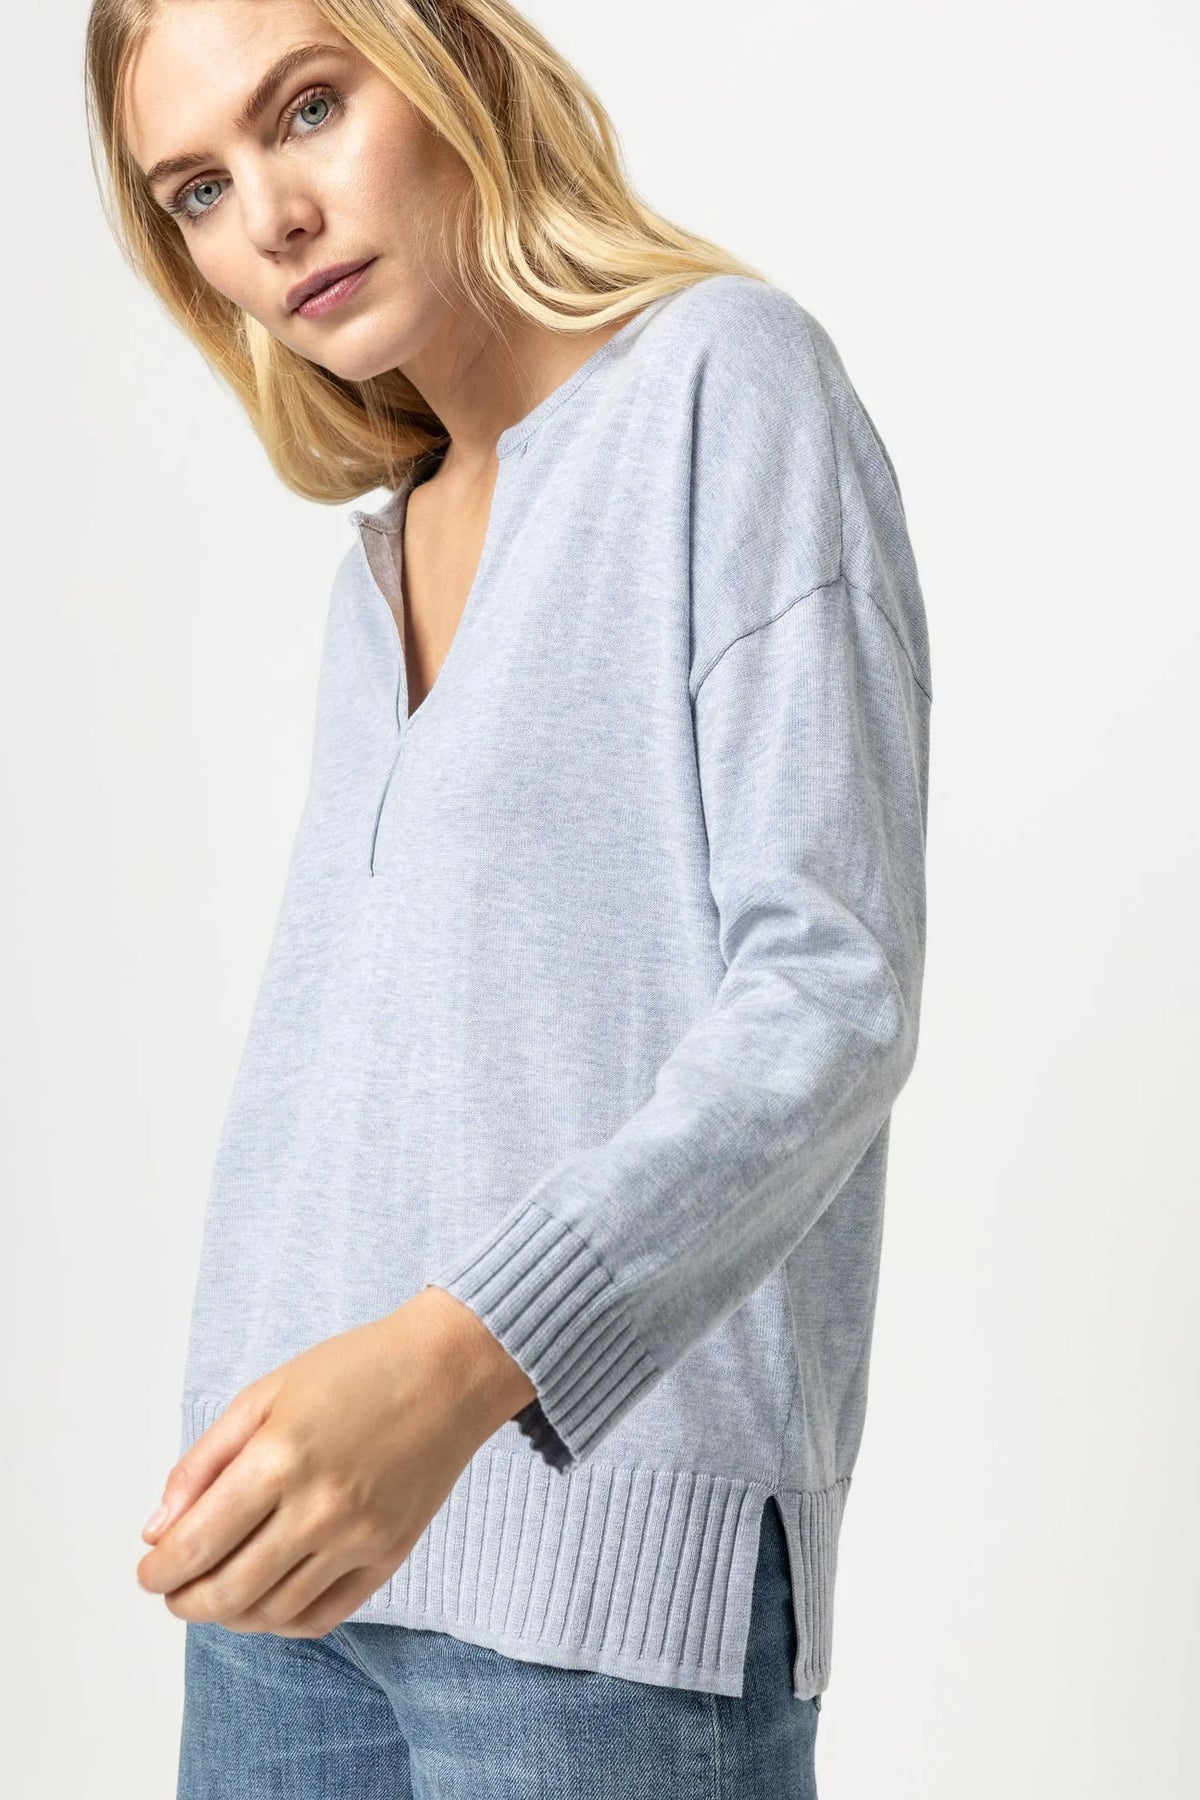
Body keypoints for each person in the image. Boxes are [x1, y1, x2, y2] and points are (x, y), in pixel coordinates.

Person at [87, 1, 932, 1793]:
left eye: (308, 108)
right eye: (197, 190)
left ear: (456, 59)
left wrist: (450, 1369)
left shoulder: (726, 383)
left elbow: (827, 1001)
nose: (271, 217)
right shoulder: (384, 545)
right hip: (286, 1586)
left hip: (598, 1597)